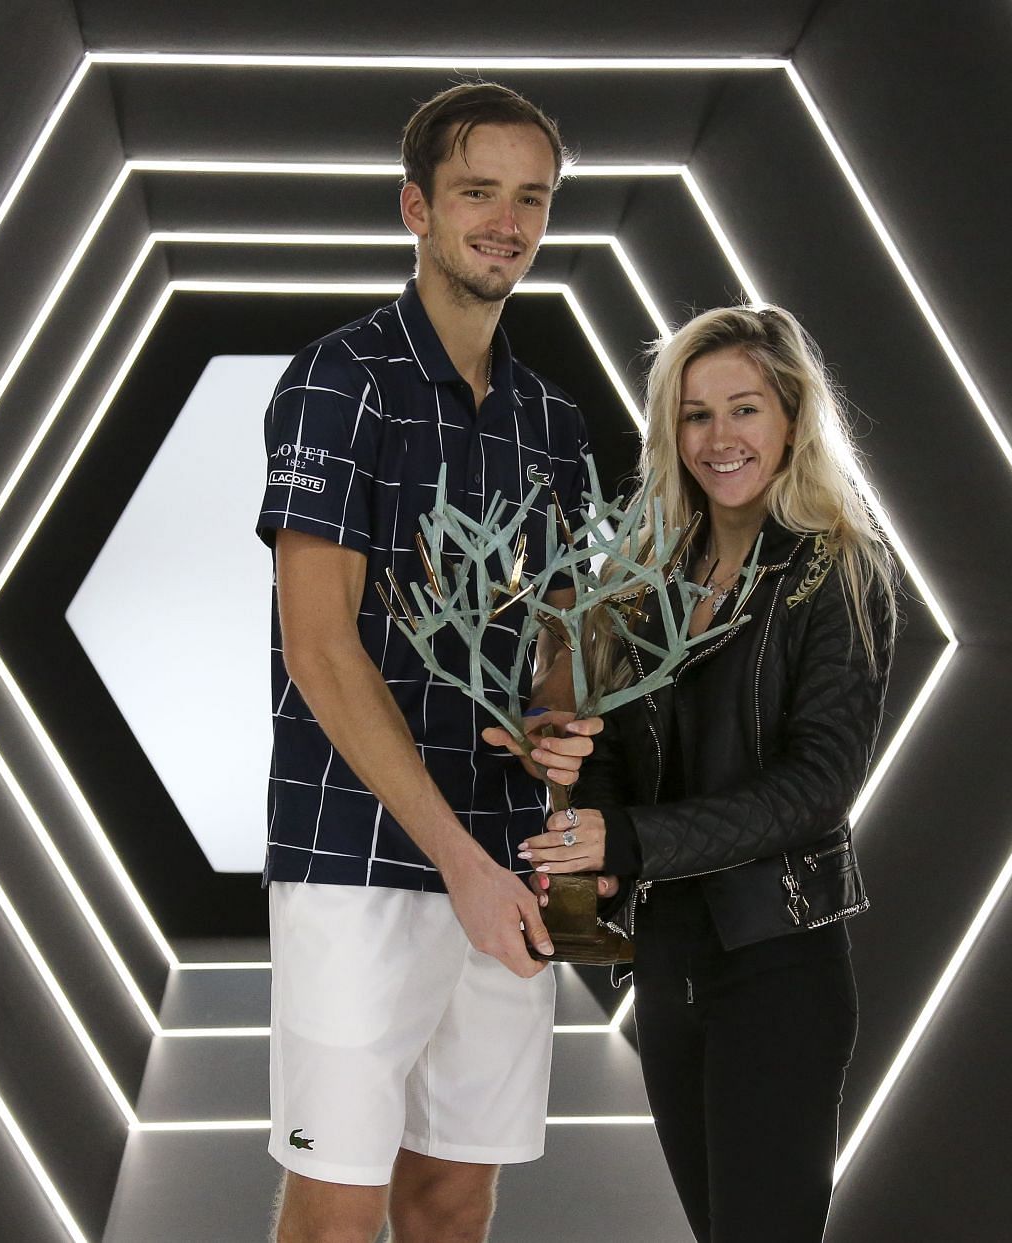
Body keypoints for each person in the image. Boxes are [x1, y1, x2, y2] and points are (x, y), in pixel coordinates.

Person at [255, 82, 600, 1243]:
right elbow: (317, 644)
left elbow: (560, 637)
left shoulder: (554, 421)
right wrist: (452, 856)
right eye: (478, 193)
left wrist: (557, 722)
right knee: (339, 1205)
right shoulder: (336, 381)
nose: (508, 221)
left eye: (532, 198)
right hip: (356, 857)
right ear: (415, 206)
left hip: (504, 863)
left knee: (458, 1196)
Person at [517, 305, 899, 1242]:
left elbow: (819, 785)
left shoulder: (836, 570)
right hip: (669, 959)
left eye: (744, 409)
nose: (719, 438)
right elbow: (611, 748)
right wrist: (597, 843)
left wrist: (634, 840)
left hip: (779, 961)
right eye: (694, 414)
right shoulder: (649, 572)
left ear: (793, 418)